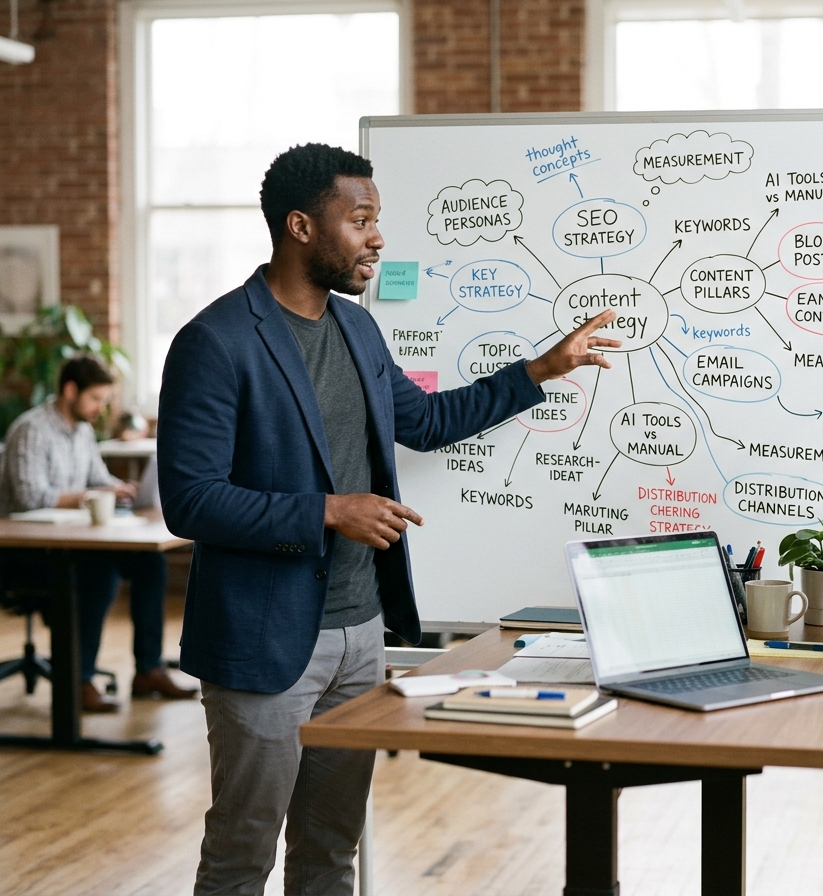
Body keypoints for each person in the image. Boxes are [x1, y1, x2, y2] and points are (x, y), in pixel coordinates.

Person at [156, 142, 620, 895]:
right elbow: (191, 499)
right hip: (262, 639)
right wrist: (329, 511)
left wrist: (543, 369)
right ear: (302, 226)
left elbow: (429, 420)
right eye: (361, 219)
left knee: (333, 844)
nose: (377, 237)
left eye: (378, 219)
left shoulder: (358, 330)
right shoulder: (215, 342)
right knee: (245, 847)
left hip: (359, 631)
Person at [0, 356, 196, 711]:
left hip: (72, 541)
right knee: (98, 572)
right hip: (27, 550)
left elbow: (97, 480)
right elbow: (30, 498)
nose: (101, 408)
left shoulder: (82, 431)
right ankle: (78, 680)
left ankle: (147, 669)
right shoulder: (32, 430)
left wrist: (122, 488)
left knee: (150, 563)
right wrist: (94, 496)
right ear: (70, 390)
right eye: (95, 399)